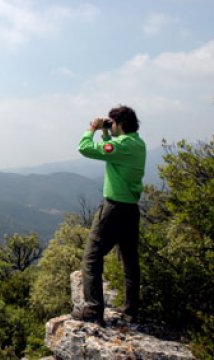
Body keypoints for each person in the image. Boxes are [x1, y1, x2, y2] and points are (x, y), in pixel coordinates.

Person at [71, 105, 146, 326]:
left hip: (113, 209)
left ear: (120, 124)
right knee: (130, 261)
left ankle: (93, 309)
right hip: (131, 209)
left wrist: (92, 128)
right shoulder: (137, 144)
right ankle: (131, 311)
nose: (109, 126)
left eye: (111, 123)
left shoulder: (122, 145)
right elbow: (111, 150)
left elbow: (84, 148)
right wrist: (106, 133)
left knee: (91, 257)